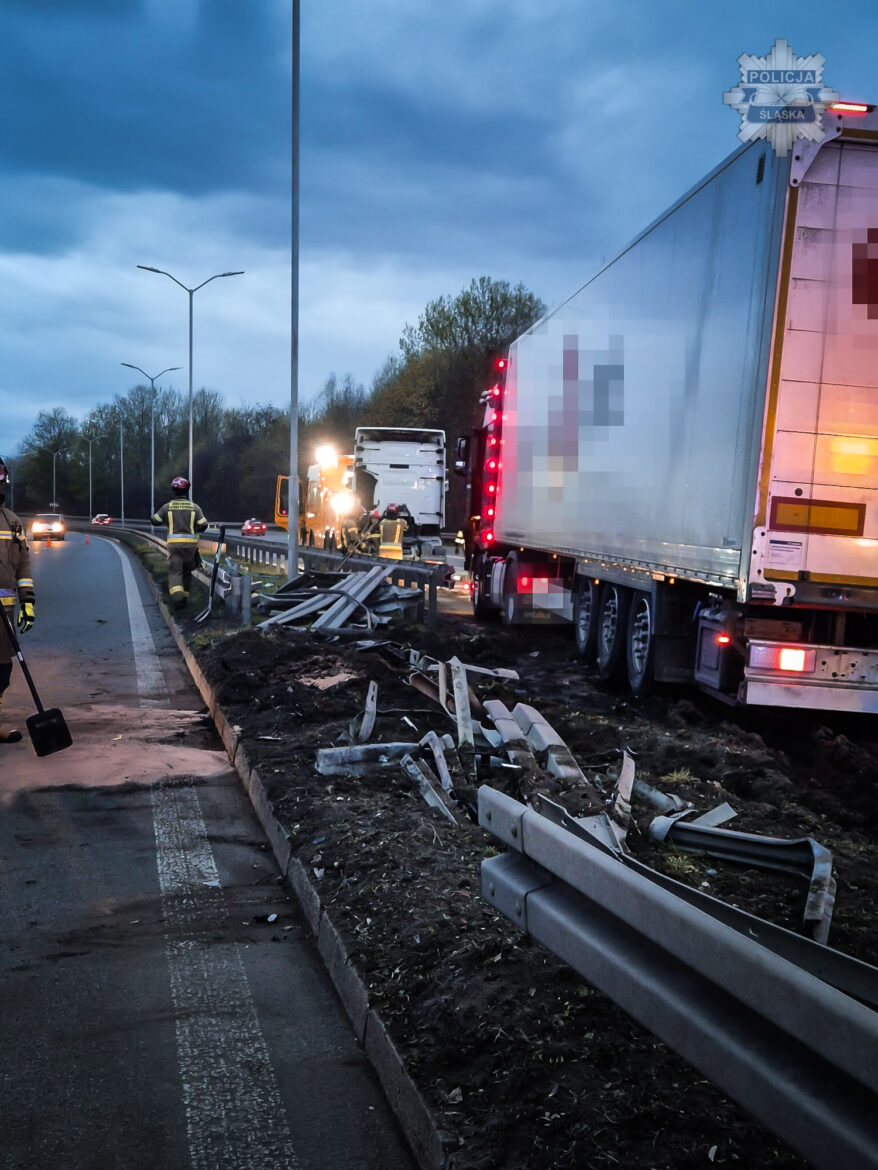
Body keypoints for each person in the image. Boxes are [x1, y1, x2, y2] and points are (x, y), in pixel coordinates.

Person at [0, 456, 34, 744]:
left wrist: (28, 602)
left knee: (1, 670)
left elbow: (23, 566)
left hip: (4, 616)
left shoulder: (12, 522)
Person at [150, 476, 209, 611]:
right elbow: (203, 525)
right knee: (187, 572)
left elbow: (154, 520)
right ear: (187, 490)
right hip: (190, 548)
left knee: (175, 572)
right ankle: (185, 602)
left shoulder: (167, 507)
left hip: (174, 548)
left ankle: (177, 600)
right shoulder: (195, 508)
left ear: (173, 490)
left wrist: (166, 521)